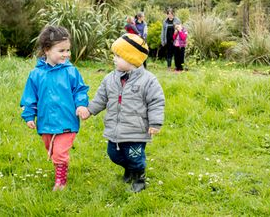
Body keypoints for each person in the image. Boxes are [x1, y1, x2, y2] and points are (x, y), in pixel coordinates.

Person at [80, 33, 165, 193]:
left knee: (135, 157)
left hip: (136, 131)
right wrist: (90, 110)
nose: (114, 59)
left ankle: (139, 177)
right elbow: (101, 98)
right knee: (114, 154)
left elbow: (156, 101)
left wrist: (155, 123)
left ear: (132, 59)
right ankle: (130, 169)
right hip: (115, 129)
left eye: (118, 56)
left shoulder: (148, 81)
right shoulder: (110, 79)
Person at [20, 25, 90, 191]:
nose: (66, 54)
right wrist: (29, 115)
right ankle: (59, 166)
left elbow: (80, 90)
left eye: (68, 50)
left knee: (59, 152)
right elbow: (30, 97)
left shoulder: (71, 72)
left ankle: (60, 181)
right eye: (61, 51)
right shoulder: (36, 74)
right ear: (47, 50)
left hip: (67, 120)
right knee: (51, 150)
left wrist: (81, 105)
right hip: (46, 122)